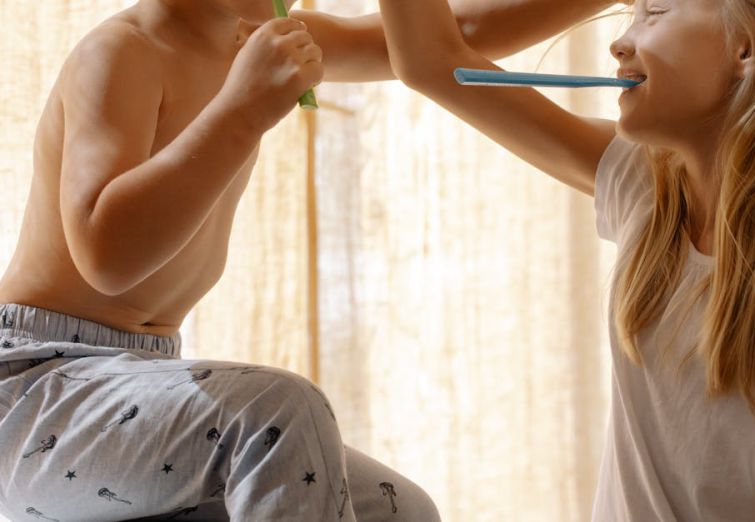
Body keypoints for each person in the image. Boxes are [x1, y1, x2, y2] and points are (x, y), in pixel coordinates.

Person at [0, 0, 626, 520]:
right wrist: (242, 111)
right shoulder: (125, 52)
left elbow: (451, 37)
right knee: (280, 410)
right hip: (37, 389)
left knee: (400, 509)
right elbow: (106, 258)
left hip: (144, 378)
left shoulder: (267, 33)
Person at [376, 0, 755, 520]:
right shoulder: (642, 189)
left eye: (656, 11)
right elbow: (432, 63)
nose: (620, 42)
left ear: (750, 49)